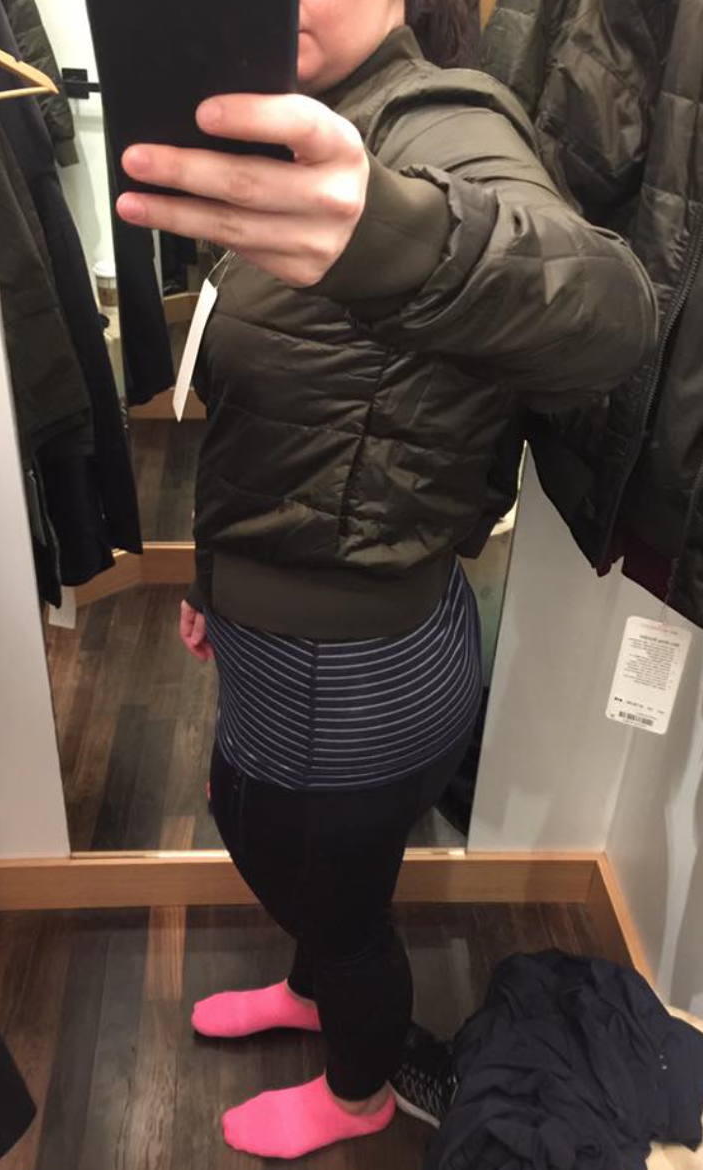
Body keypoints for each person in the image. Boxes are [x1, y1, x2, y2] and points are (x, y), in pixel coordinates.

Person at [116, 0, 656, 1159]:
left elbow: (612, 316)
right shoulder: (300, 124)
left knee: (330, 896)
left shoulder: (445, 125)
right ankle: (311, 988)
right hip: (295, 632)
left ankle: (359, 1089)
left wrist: (401, 237)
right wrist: (215, 583)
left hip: (351, 664)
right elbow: (272, 422)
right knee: (291, 853)